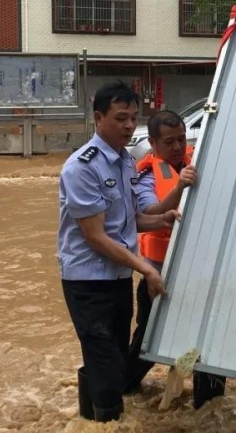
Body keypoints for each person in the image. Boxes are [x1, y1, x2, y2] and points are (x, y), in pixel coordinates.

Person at [58, 82, 179, 423]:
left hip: (117, 278)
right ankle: (107, 422)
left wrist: (160, 219)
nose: (129, 126)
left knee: (106, 358)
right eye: (121, 118)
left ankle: (90, 419)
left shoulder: (125, 162)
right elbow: (96, 237)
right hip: (88, 281)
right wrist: (147, 268)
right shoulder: (83, 167)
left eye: (133, 118)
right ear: (98, 118)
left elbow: (128, 222)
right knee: (109, 365)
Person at [123, 109, 227, 408]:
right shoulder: (146, 176)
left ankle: (210, 407)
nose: (178, 147)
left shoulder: (202, 161)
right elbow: (150, 213)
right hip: (160, 277)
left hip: (202, 274)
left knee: (207, 337)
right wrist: (179, 187)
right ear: (153, 144)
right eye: (169, 142)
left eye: (182, 139)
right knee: (148, 338)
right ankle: (123, 390)